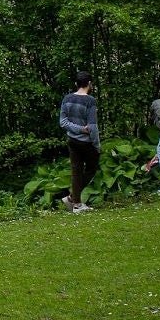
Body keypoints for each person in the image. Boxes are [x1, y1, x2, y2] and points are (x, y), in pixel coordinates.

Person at [59, 71, 100, 213]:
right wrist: (95, 142)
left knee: (76, 172)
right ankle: (74, 201)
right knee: (91, 169)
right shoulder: (90, 101)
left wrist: (75, 129)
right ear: (89, 84)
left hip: (72, 141)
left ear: (76, 84)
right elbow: (92, 127)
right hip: (86, 143)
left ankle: (74, 201)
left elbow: (63, 122)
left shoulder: (67, 98)